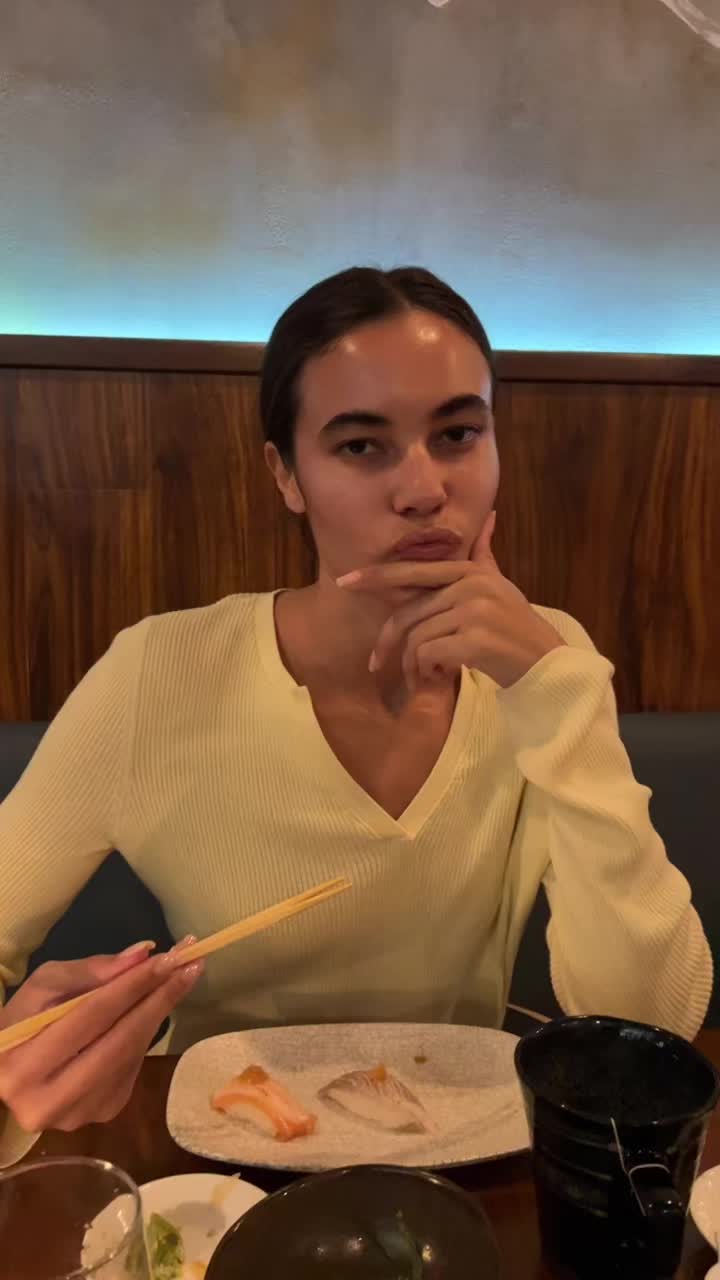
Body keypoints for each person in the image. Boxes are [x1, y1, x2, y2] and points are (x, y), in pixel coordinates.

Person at [0, 267, 711, 1157]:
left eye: (458, 433)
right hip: (220, 1156)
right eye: (362, 445)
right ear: (286, 475)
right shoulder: (160, 675)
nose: (423, 489)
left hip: (461, 1154)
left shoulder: (544, 662)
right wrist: (23, 1070)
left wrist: (554, 691)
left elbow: (650, 1022)